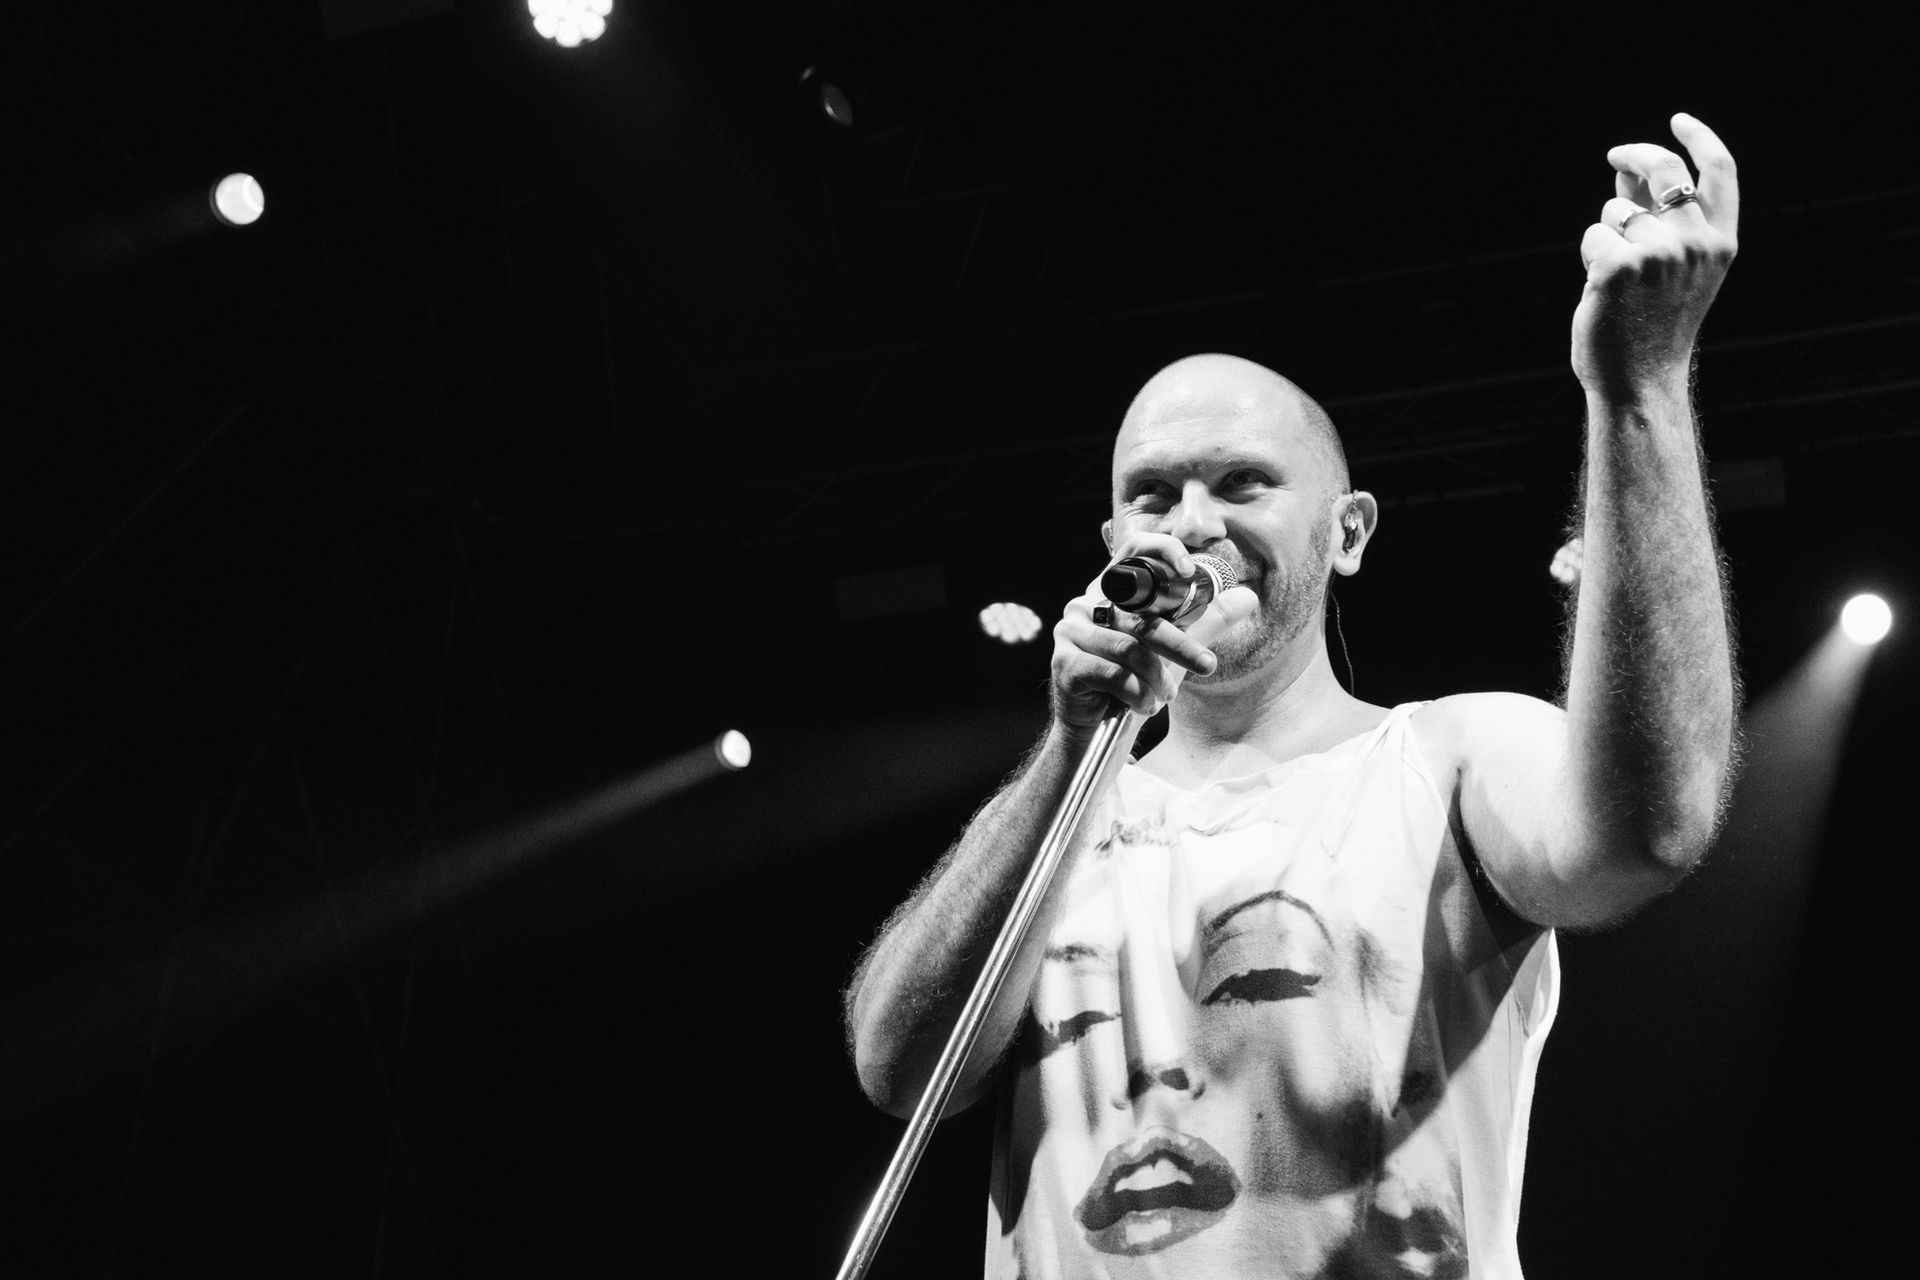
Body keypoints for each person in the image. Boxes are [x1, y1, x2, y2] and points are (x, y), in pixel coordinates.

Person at [843, 113, 1740, 1278]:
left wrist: (1641, 387)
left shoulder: (1446, 758)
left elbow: (1649, 828)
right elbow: (900, 1067)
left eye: (1241, 482)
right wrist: (1073, 749)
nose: (1193, 522)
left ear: (1348, 530)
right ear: (1113, 541)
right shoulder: (1060, 822)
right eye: (1153, 494)